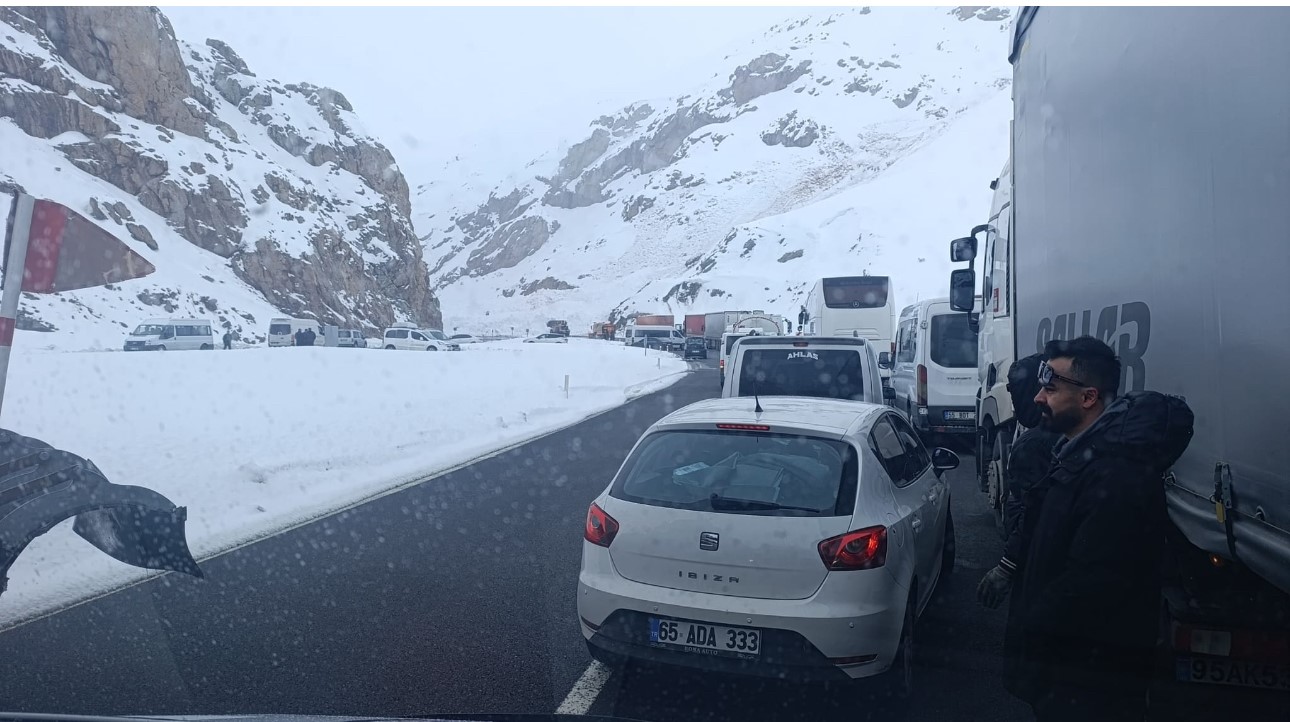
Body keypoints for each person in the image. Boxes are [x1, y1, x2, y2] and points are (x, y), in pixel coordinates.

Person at [1007, 336, 1194, 722]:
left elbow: (1092, 583)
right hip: (1072, 676)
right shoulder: (1079, 458)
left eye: (1050, 388)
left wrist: (1037, 627)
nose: (1039, 398)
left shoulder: (1116, 476)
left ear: (1088, 397)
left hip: (1088, 683)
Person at [977, 352, 1062, 696]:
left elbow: (1030, 514)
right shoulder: (1070, 436)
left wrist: (1007, 567)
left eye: (1015, 392)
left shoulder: (1033, 444)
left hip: (1038, 572)